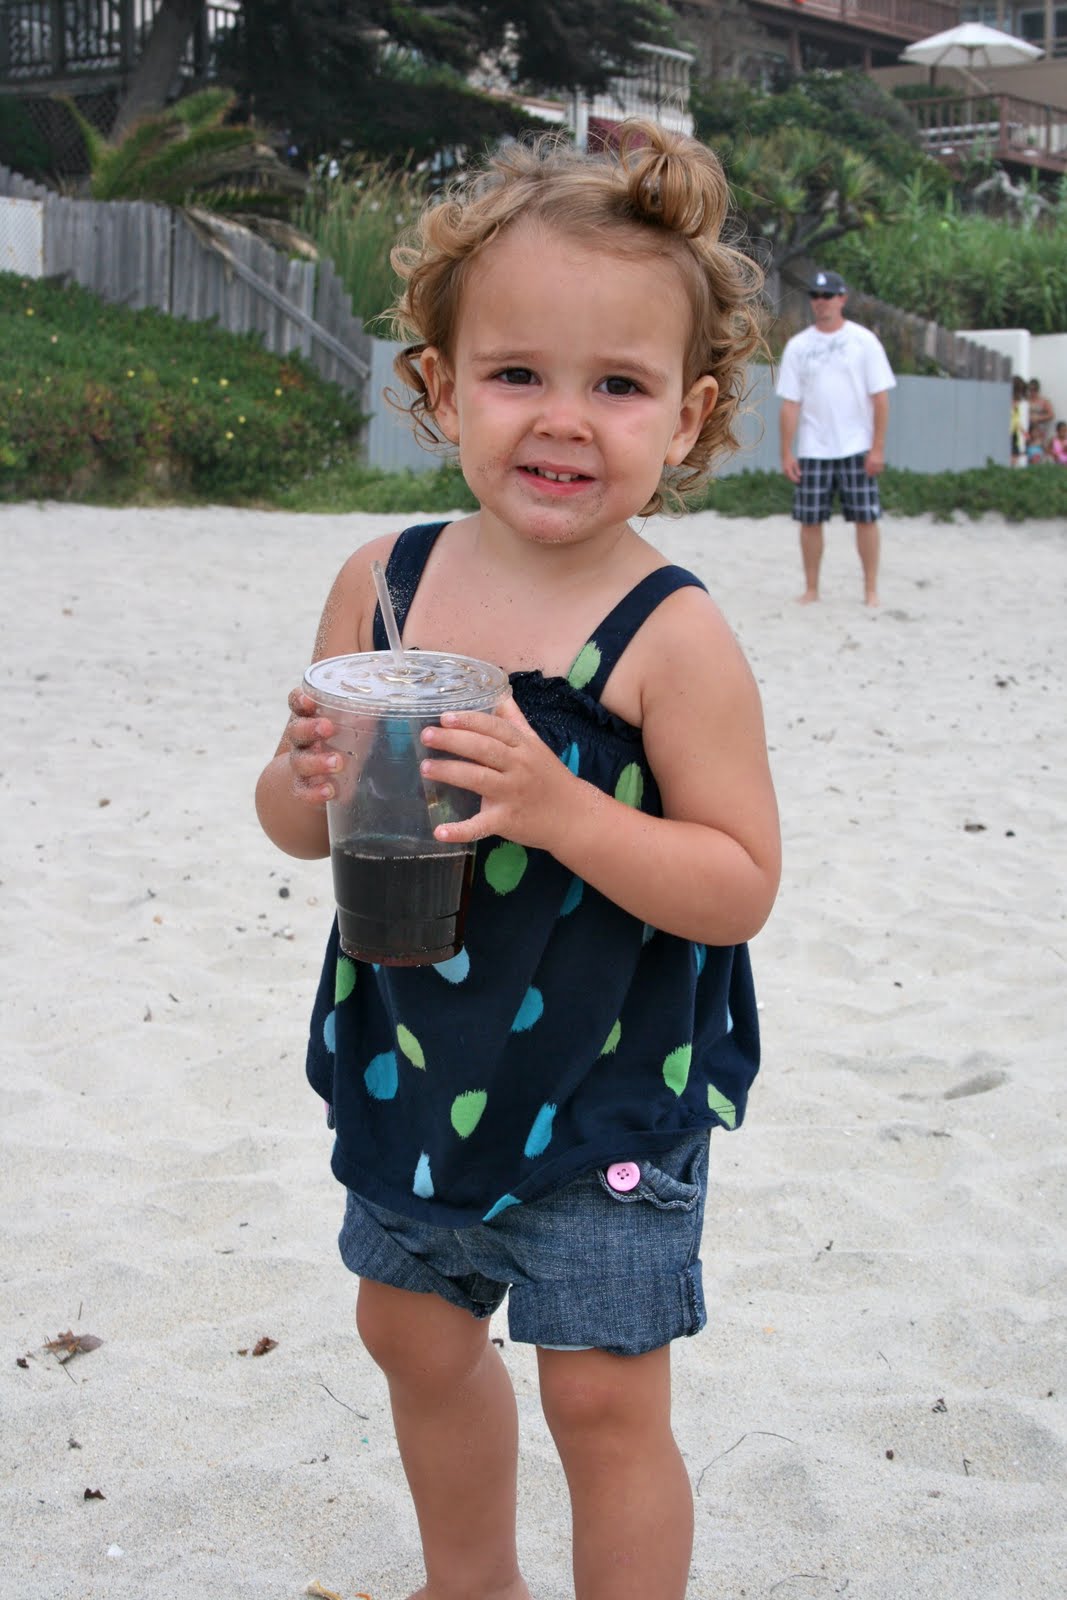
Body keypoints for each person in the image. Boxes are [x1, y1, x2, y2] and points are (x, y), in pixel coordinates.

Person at [256, 122, 781, 1600]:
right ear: (438, 389)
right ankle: (469, 1581)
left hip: (605, 1078)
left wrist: (561, 810)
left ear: (686, 417)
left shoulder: (669, 635)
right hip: (414, 1050)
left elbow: (738, 880)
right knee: (410, 1333)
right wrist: (300, 778)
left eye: (616, 386)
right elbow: (294, 819)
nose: (563, 421)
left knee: (601, 1396)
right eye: (515, 376)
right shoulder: (383, 585)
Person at [777, 268, 896, 606]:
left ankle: (870, 589)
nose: (821, 302)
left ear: (842, 298)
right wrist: (786, 452)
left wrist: (877, 448)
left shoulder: (864, 341)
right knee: (809, 520)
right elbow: (790, 403)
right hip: (814, 448)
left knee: (866, 518)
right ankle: (811, 588)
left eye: (827, 295)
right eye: (815, 296)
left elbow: (880, 398)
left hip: (856, 446)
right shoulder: (798, 346)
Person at [1027, 376, 1055, 447]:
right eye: (1030, 390)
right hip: (1027, 428)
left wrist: (1039, 418)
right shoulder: (1025, 400)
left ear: (1038, 389)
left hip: (1039, 430)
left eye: (1034, 390)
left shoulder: (1043, 401)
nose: (1032, 392)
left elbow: (1051, 415)